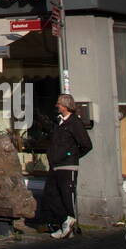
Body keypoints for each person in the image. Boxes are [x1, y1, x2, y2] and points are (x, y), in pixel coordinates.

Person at [39, 93, 92, 239]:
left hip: (68, 166)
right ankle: (64, 222)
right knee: (51, 195)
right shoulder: (59, 123)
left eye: (59, 104)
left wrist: (71, 156)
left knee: (66, 195)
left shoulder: (75, 123)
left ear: (66, 106)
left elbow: (86, 145)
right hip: (55, 165)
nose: (57, 106)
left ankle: (68, 221)